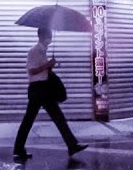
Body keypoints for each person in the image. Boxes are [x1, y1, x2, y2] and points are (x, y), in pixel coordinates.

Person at [13, 27, 88, 162]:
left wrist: (50, 65)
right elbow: (31, 71)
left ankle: (72, 145)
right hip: (37, 90)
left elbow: (42, 70)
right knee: (28, 121)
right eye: (49, 35)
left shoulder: (42, 51)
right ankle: (18, 149)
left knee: (58, 117)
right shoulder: (34, 51)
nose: (50, 38)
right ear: (42, 36)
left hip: (44, 89)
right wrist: (47, 64)